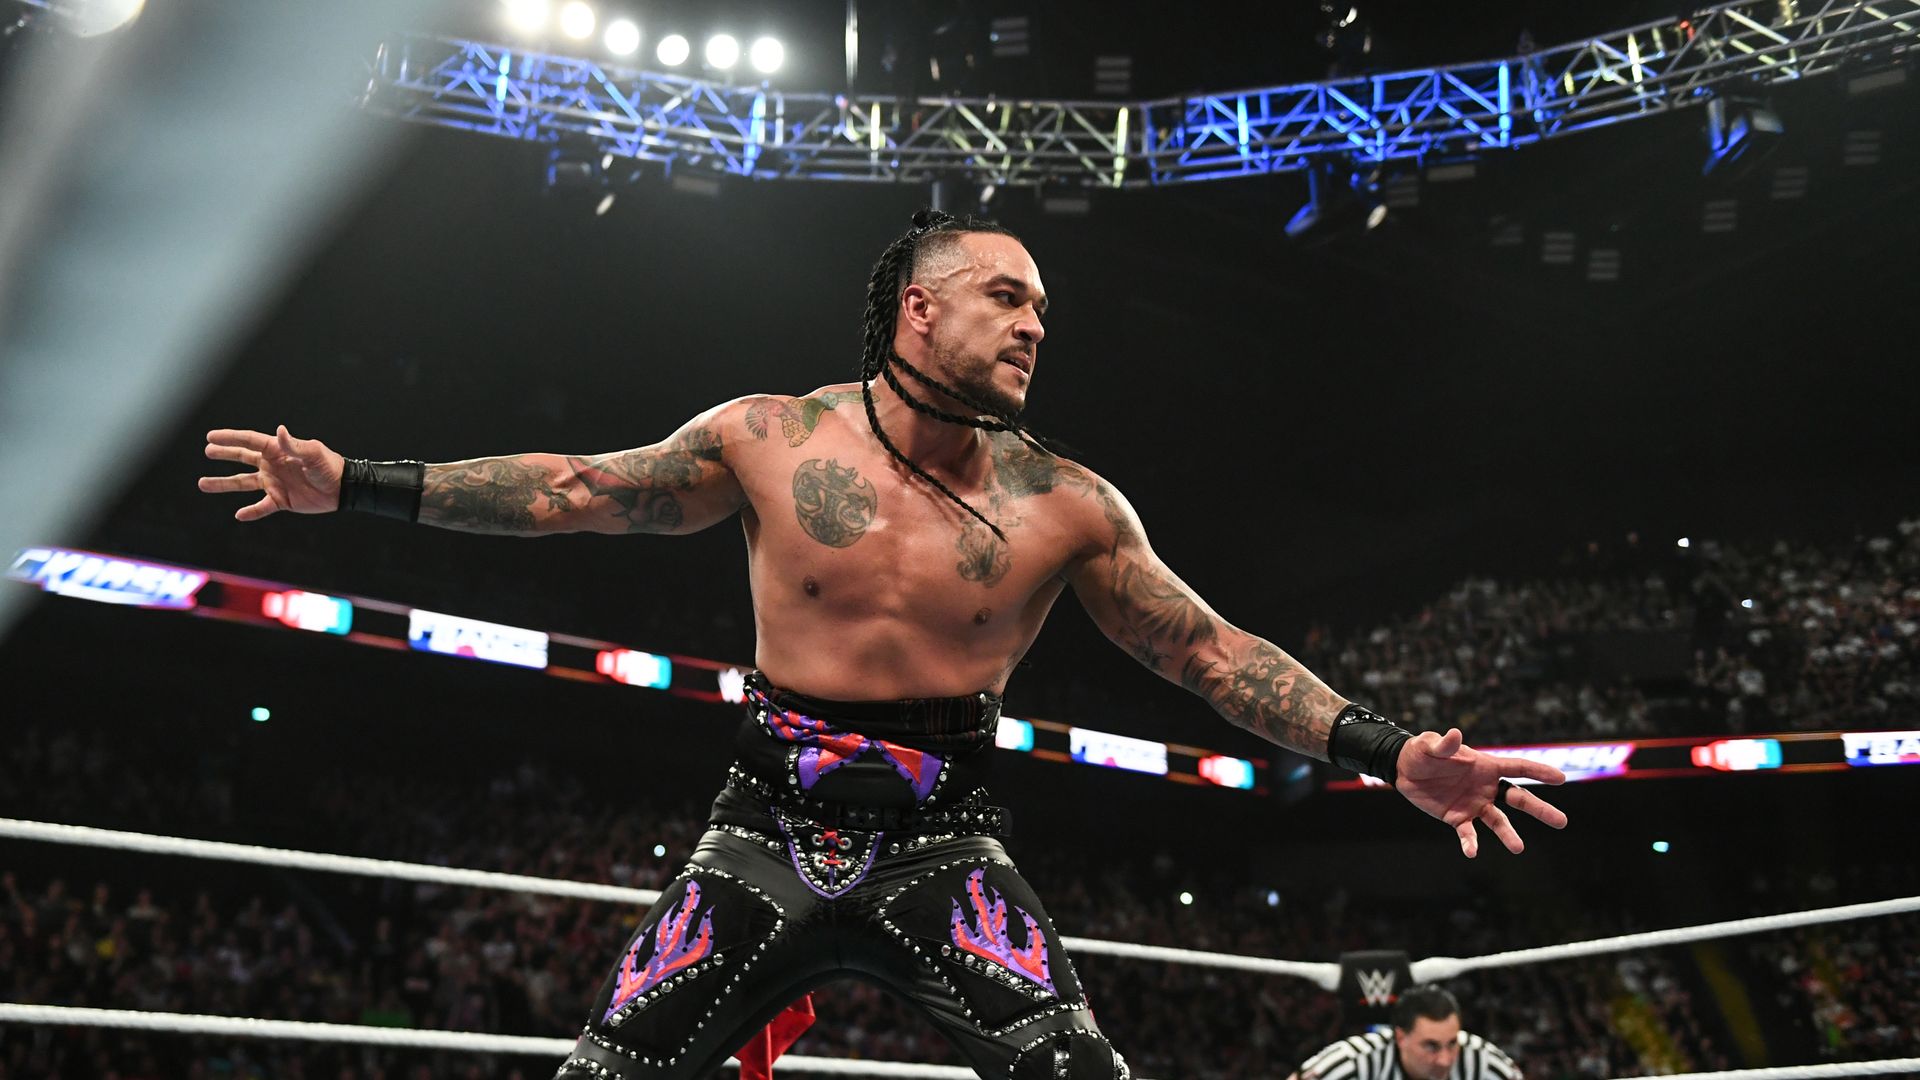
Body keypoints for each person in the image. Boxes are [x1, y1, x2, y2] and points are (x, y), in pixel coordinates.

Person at [200, 209, 1569, 1079]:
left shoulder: (1067, 504)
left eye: (1043, 309)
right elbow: (579, 493)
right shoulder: (772, 437)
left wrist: (1387, 750)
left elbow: (1207, 653)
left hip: (944, 844)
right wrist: (355, 483)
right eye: (1006, 296)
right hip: (758, 828)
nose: (1036, 324)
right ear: (919, 306)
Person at [1289, 985, 1520, 1080]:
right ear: (1400, 1037)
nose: (1444, 1060)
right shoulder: (1355, 1062)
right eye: (1430, 1046)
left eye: (1452, 1043)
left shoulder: (1482, 1062)